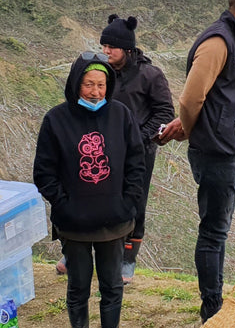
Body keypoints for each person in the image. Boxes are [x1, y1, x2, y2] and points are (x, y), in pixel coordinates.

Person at [158, 0, 235, 321]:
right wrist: (188, 128)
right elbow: (191, 99)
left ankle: (215, 305)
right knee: (213, 233)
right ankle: (212, 310)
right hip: (216, 154)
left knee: (218, 231)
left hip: (230, 150)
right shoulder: (218, 42)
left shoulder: (233, 40)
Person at [34, 52, 145, 328]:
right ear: (75, 84)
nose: (95, 92)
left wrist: (127, 203)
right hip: (74, 225)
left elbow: (136, 164)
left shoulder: (121, 116)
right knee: (78, 286)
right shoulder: (56, 120)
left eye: (101, 85)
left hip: (114, 223)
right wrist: (64, 205)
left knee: (111, 285)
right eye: (88, 84)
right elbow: (44, 172)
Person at [57, 15, 174, 283]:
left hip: (137, 153)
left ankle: (127, 259)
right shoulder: (100, 72)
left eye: (112, 47)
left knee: (134, 202)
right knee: (90, 196)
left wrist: (136, 139)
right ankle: (76, 252)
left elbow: (164, 113)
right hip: (97, 149)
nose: (106, 51)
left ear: (128, 49)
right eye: (104, 46)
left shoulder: (150, 75)